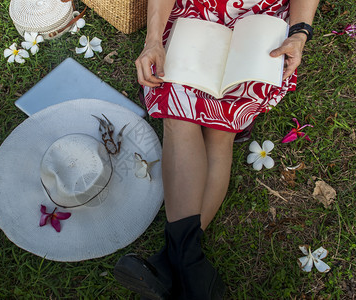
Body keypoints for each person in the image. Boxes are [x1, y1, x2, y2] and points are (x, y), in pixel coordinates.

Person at [114, 0, 320, 299]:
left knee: (221, 130)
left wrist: (299, 33)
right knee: (178, 115)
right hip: (195, 17)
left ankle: (172, 260)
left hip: (260, 26)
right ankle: (188, 262)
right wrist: (153, 40)